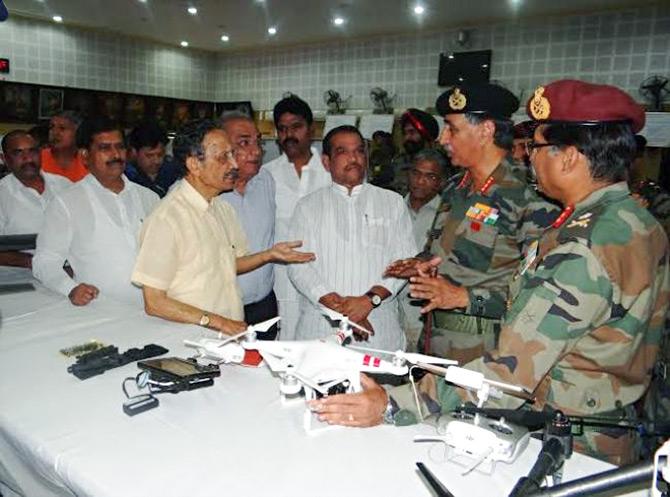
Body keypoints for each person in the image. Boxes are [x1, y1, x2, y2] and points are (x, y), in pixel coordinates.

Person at [310, 80, 670, 466]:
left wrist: (392, 403)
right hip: (601, 424)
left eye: (537, 147)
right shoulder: (636, 222)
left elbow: (508, 375)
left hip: (567, 441)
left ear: (568, 157)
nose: (530, 157)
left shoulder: (582, 245)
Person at [386, 83, 558, 364]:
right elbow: (442, 253)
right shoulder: (456, 188)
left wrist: (465, 297)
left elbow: (541, 297)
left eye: (452, 128)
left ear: (486, 131)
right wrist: (420, 264)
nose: (443, 139)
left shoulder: (529, 200)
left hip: (487, 355)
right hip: (433, 344)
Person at [132, 119, 314, 334]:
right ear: (194, 165)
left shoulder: (221, 208)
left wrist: (269, 255)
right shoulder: (167, 219)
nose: (234, 165)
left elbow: (230, 264)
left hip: (227, 337)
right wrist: (220, 323)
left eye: (231, 154)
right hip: (188, 341)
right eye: (223, 158)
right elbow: (154, 302)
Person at [288, 125, 417, 351]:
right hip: (321, 330)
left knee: (380, 385)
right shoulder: (307, 207)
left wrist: (369, 301)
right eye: (342, 152)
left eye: (359, 151)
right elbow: (298, 267)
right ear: (327, 162)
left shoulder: (392, 202)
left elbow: (405, 262)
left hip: (378, 330)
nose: (353, 158)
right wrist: (341, 308)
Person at [33, 117, 159, 306]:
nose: (116, 154)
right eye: (104, 148)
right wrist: (70, 288)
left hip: (155, 309)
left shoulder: (149, 198)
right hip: (100, 312)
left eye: (120, 147)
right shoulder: (66, 203)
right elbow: (45, 261)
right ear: (84, 156)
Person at [264, 95, 331, 339]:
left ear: (311, 129)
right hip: (281, 284)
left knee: (322, 345)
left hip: (326, 278)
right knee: (285, 346)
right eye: (282, 129)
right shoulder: (266, 175)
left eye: (296, 127)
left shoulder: (330, 171)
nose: (288, 135)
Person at [220, 112, 279, 339]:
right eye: (244, 143)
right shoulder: (205, 193)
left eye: (258, 142)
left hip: (264, 306)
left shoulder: (266, 181)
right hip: (221, 310)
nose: (256, 151)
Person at [399, 149, 451, 351]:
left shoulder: (448, 215)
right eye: (416, 173)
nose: (420, 181)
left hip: (422, 312)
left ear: (440, 182)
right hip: (388, 308)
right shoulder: (391, 209)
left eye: (430, 177)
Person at [0, 130, 71, 268]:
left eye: (32, 151)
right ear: (4, 159)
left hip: (75, 275)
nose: (28, 159)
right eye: (18, 153)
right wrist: (40, 264)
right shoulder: (2, 195)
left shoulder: (65, 186)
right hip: (24, 279)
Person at [387, 108, 440, 196]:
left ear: (425, 134)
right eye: (405, 133)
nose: (407, 138)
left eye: (412, 132)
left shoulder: (439, 164)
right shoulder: (398, 161)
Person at [125, 120, 180, 197]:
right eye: (149, 156)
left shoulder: (173, 172)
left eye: (160, 155)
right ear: (134, 152)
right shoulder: (125, 177)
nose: (156, 161)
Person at [41, 111, 88, 182]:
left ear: (78, 132)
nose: (55, 133)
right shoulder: (38, 158)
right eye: (51, 127)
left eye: (62, 128)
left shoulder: (88, 161)